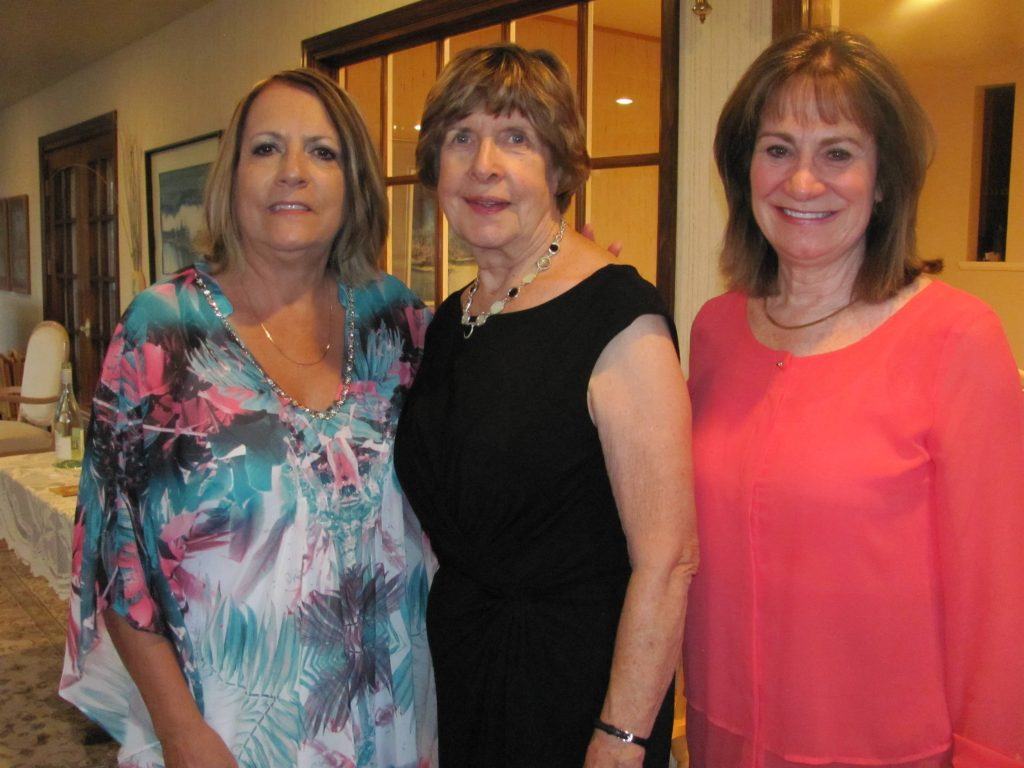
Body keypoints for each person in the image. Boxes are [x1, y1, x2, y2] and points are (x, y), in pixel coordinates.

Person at [60, 68, 436, 768]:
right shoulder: (162, 330)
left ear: (354, 182)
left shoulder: (400, 319)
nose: (293, 171)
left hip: (395, 720)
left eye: (322, 152)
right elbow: (114, 555)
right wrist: (181, 733)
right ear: (231, 177)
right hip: (231, 731)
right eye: (266, 148)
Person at [684, 28, 1024, 768]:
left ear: (885, 179)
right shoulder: (715, 331)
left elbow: (1000, 602)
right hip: (721, 738)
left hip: (886, 751)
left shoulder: (957, 339)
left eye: (838, 153)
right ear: (744, 170)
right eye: (778, 149)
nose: (803, 183)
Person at [394, 43, 699, 768]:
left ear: (560, 169)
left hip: (577, 691)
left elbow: (669, 562)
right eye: (461, 138)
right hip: (467, 668)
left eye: (515, 138)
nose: (484, 165)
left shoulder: (618, 316)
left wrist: (621, 739)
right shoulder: (451, 320)